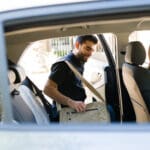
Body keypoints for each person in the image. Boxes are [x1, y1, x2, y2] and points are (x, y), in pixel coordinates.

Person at [43, 35, 98, 121]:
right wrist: (72, 103)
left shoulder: (79, 61)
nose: (90, 53)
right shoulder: (63, 65)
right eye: (87, 48)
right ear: (77, 45)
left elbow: (71, 83)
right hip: (65, 114)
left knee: (107, 110)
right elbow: (47, 89)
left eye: (92, 50)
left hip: (76, 110)